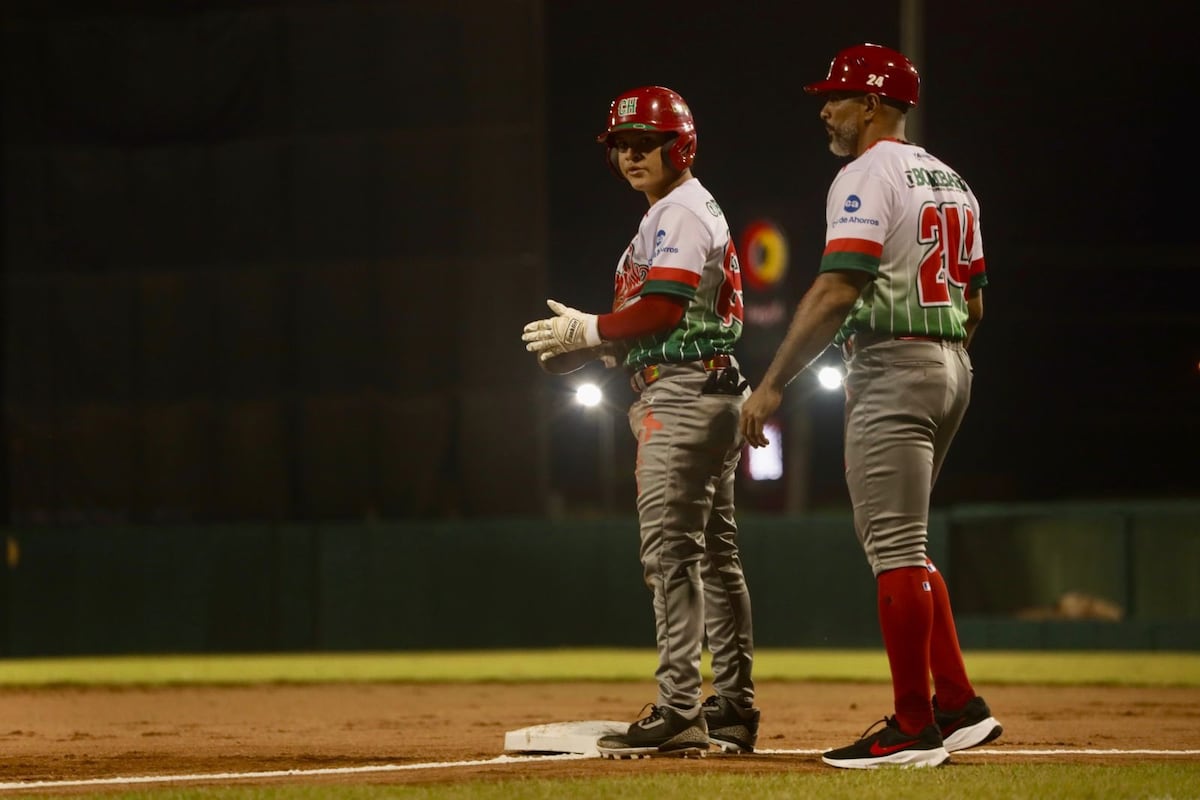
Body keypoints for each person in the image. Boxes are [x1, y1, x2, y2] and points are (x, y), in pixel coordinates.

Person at [738, 43, 1003, 769]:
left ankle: (912, 725)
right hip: (952, 363)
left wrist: (773, 383)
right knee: (907, 543)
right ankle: (957, 702)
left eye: (839, 96)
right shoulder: (953, 180)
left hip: (894, 363)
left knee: (893, 549)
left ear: (874, 104)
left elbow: (836, 289)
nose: (826, 108)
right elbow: (975, 301)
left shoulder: (865, 173)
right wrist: (939, 357)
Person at [521, 85, 759, 759]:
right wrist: (588, 345)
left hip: (682, 396)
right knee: (714, 556)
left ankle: (681, 707)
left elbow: (660, 309)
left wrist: (589, 329)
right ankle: (734, 706)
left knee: (671, 556)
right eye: (621, 145)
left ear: (679, 144)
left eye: (645, 142)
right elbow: (659, 320)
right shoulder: (669, 212)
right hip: (699, 385)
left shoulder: (679, 212)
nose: (631, 155)